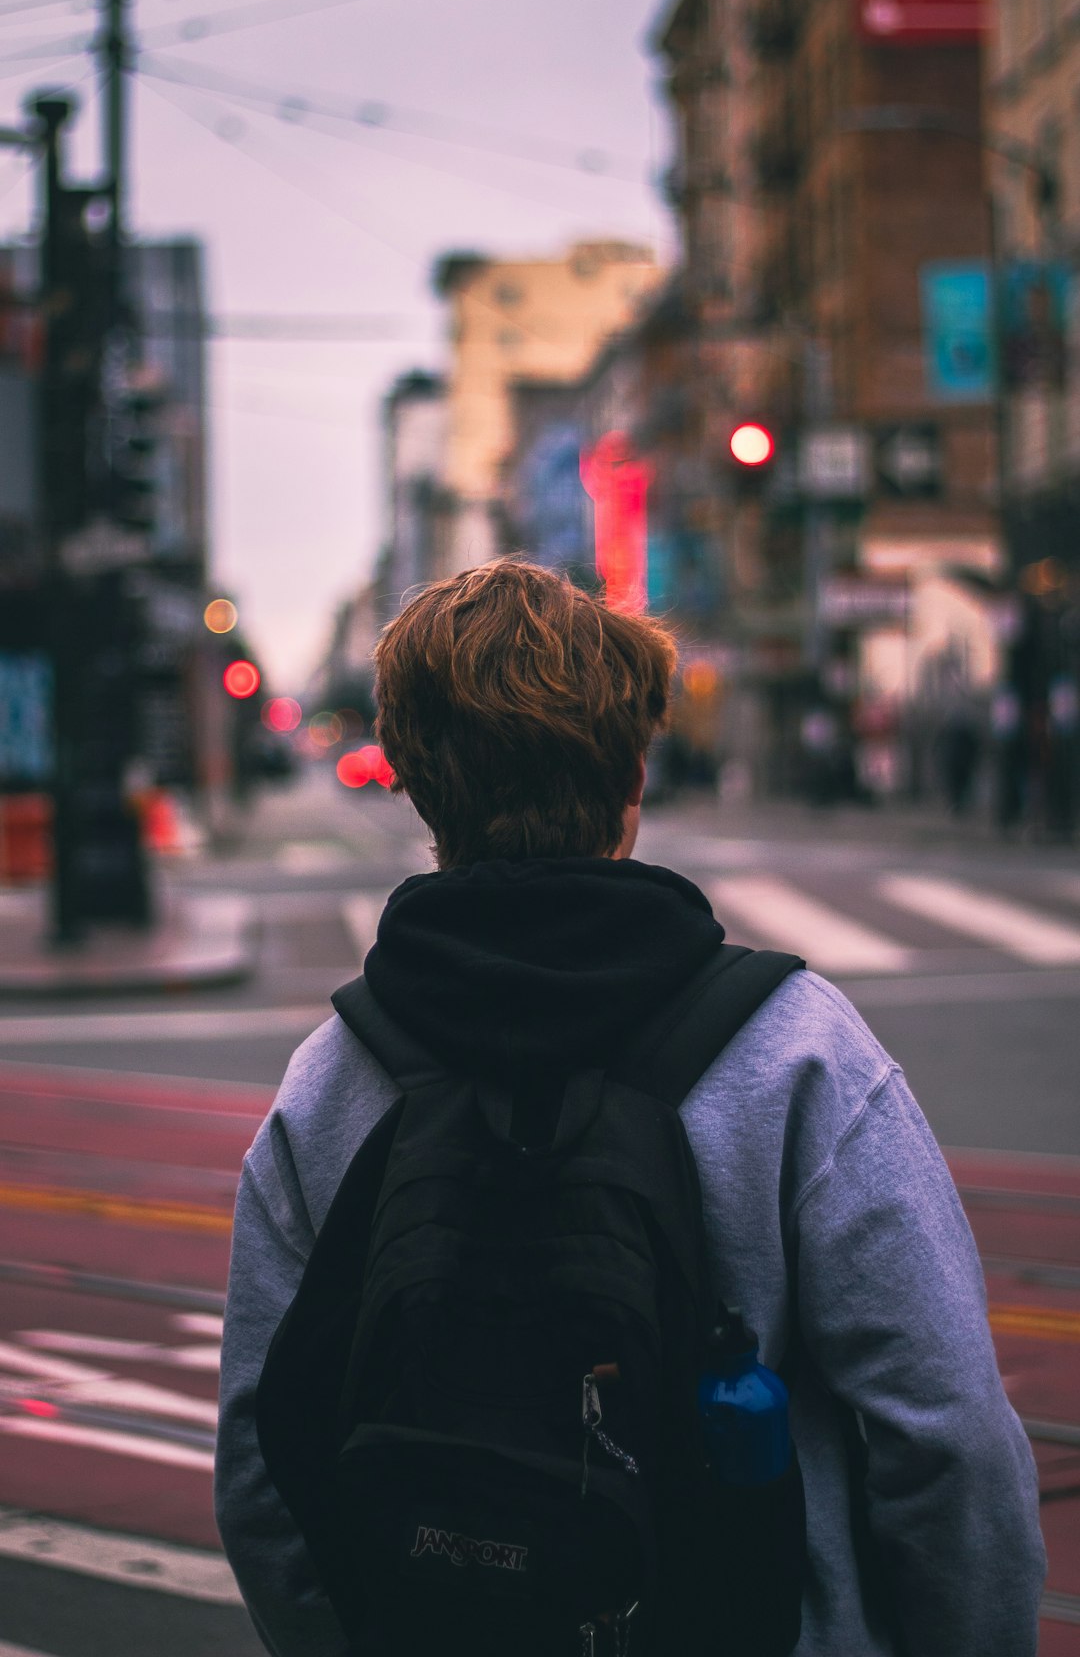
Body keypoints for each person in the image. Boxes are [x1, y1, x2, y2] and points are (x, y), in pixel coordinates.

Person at [216, 558, 1045, 1657]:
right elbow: (950, 1442)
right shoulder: (796, 1053)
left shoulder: (333, 1081)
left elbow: (261, 1468)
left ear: (415, 785)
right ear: (633, 777)